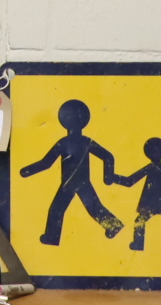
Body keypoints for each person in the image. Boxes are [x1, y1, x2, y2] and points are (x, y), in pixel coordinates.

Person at [18, 98, 125, 245]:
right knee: (91, 207)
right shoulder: (83, 141)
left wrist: (29, 170)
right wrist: (108, 175)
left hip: (71, 182)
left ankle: (53, 237)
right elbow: (108, 157)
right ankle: (114, 225)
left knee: (59, 209)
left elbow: (47, 163)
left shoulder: (66, 142)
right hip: (78, 182)